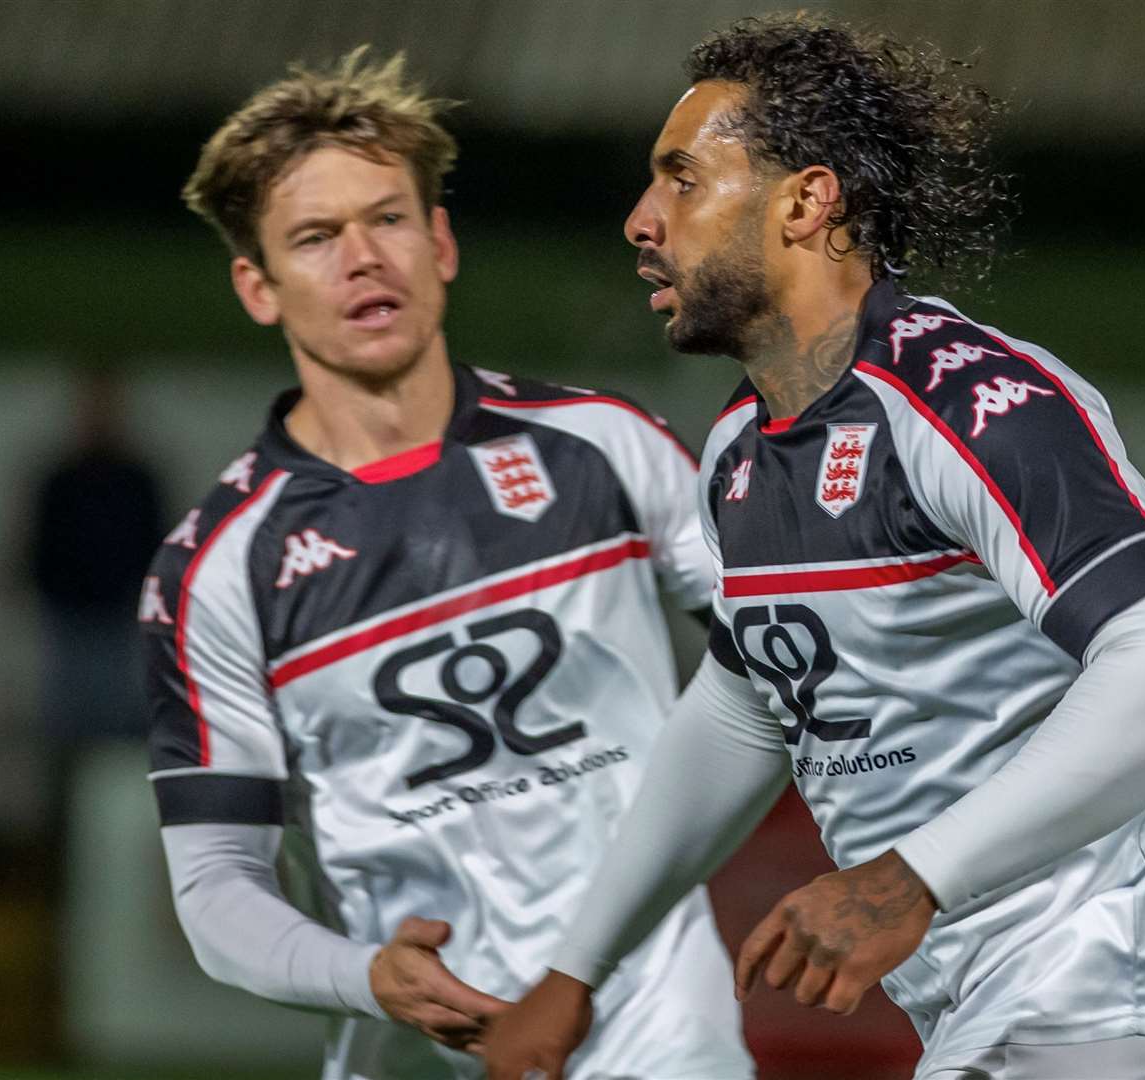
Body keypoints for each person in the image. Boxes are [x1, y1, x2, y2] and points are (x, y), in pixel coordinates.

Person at [486, 14, 1145, 1080]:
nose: (643, 220)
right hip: (1009, 1017)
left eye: (682, 180)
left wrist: (907, 878)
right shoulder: (743, 451)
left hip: (1128, 998)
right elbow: (741, 712)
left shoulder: (967, 400)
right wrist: (575, 971)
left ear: (807, 200)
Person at [140, 48, 753, 1080]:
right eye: (316, 237)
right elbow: (214, 889)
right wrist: (362, 975)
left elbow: (803, 648)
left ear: (440, 241)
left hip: (664, 1039)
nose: (363, 258)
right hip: (413, 1056)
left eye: (386, 220)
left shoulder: (604, 446)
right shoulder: (216, 570)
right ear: (258, 285)